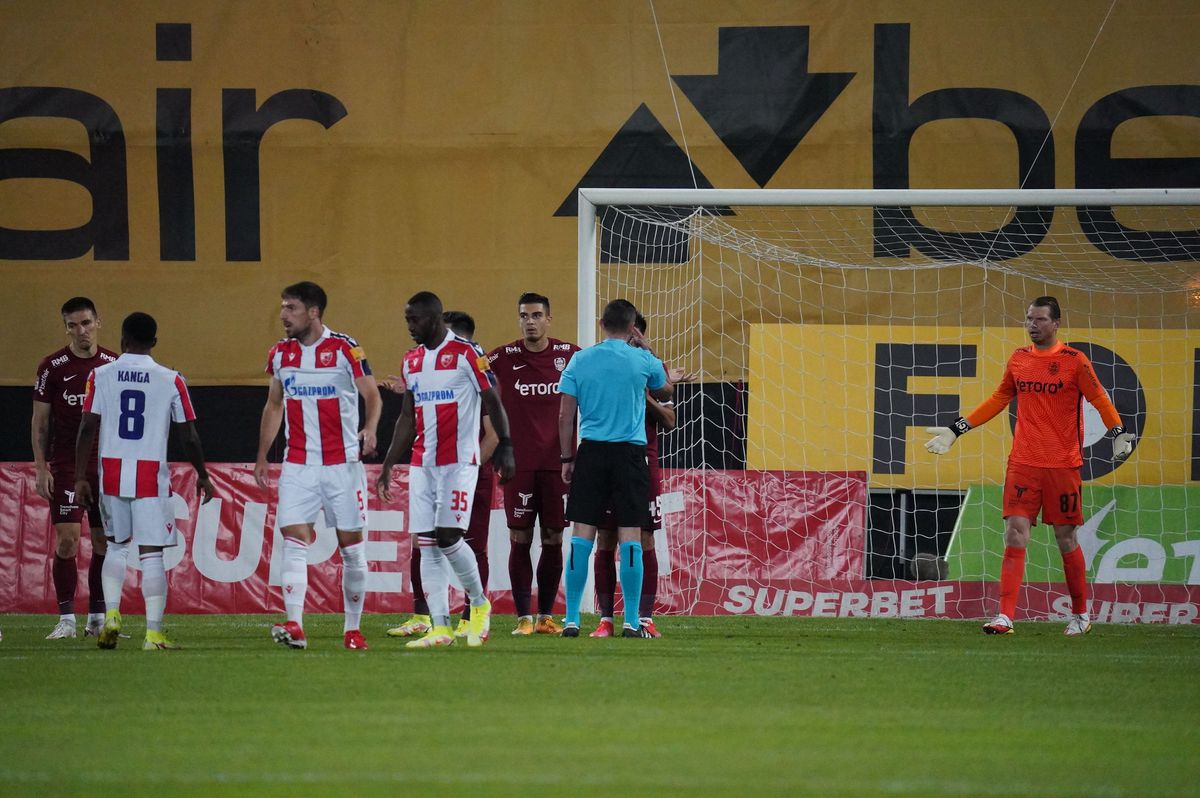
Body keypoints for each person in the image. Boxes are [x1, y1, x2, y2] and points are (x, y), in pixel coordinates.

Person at [925, 296, 1135, 636]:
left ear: (1056, 323)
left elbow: (1099, 398)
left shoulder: (1074, 362)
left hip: (1062, 465)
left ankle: (1081, 615)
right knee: (1014, 532)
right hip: (1023, 463)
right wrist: (956, 429)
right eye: (1028, 319)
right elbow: (998, 398)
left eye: (1039, 320)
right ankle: (1005, 616)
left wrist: (1118, 432)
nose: (1032, 326)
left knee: (1066, 538)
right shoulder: (1019, 359)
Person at [377, 292, 515, 648]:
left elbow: (493, 401)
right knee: (427, 544)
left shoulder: (468, 354)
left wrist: (507, 446)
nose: (410, 327)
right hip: (423, 463)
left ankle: (479, 603)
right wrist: (390, 462)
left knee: (448, 536)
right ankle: (439, 628)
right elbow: (407, 416)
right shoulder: (411, 361)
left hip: (459, 462)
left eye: (415, 320)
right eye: (407, 320)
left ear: (435, 318)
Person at [74, 312, 214, 650]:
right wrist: (203, 474)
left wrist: (80, 476)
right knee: (151, 554)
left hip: (111, 471)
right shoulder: (171, 379)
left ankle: (111, 615)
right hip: (150, 473)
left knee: (116, 546)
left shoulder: (100, 375)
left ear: (123, 340)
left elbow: (87, 427)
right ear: (154, 342)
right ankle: (152, 633)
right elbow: (189, 436)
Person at [254, 282, 381, 651]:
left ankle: (352, 630)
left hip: (342, 464)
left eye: (290, 308)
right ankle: (295, 624)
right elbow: (274, 404)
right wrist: (262, 454)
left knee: (352, 549)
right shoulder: (280, 354)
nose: (283, 316)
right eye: (282, 308)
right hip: (298, 465)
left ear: (313, 312)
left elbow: (371, 395)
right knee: (293, 540)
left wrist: (370, 428)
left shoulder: (344, 348)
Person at [558, 299, 673, 638]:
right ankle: (632, 621)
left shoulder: (580, 360)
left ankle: (571, 620)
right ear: (632, 327)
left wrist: (567, 459)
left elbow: (566, 416)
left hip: (591, 452)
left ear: (601, 323)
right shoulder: (640, 359)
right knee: (630, 537)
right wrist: (648, 349)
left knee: (582, 538)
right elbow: (665, 388)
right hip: (630, 454)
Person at [591, 312, 695, 638]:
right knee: (605, 539)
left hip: (642, 463)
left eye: (634, 336)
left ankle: (644, 618)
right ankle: (606, 620)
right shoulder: (597, 364)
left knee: (645, 538)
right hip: (605, 460)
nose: (628, 341)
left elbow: (668, 416)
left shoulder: (650, 367)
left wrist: (643, 389)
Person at [486, 292, 580, 635]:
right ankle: (523, 617)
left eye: (537, 315)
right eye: (524, 315)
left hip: (560, 464)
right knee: (520, 536)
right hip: (519, 464)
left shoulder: (570, 356)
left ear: (549, 319)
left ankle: (545, 617)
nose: (530, 321)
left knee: (554, 537)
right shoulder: (501, 358)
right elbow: (467, 374)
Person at [32, 297, 118, 639]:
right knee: (67, 541)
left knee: (103, 542)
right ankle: (66, 619)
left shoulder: (114, 364)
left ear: (98, 322)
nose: (80, 331)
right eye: (73, 325)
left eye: (86, 323)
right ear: (66, 328)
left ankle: (97, 617)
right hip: (66, 464)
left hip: (104, 464)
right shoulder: (52, 367)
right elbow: (40, 423)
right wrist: (41, 468)